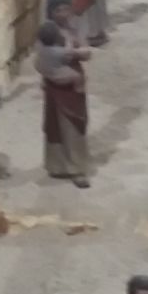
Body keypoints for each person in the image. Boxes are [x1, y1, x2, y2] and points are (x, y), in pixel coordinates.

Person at [37, 21, 91, 188]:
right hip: (61, 91)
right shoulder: (56, 44)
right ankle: (64, 167)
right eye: (61, 10)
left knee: (71, 128)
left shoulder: (71, 30)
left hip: (64, 90)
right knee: (64, 127)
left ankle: (71, 166)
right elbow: (81, 54)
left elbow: (86, 54)